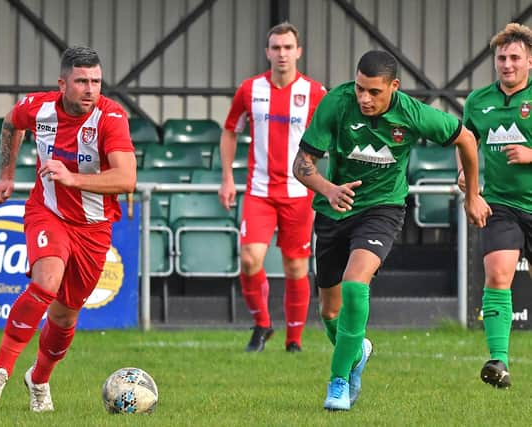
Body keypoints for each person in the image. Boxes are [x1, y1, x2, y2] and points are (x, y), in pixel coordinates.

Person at [292, 50, 491, 411]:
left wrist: (472, 195)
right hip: (333, 209)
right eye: (359, 89)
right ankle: (358, 350)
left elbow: (466, 139)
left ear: (393, 87)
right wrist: (328, 188)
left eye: (374, 92)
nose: (364, 98)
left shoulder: (413, 113)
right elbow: (302, 164)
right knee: (329, 312)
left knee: (356, 284)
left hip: (382, 209)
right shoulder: (336, 102)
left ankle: (338, 383)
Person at [0, 46, 136, 412]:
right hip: (47, 212)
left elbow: (127, 178)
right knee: (46, 281)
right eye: (82, 81)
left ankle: (39, 379)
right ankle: (0, 370)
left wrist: (73, 178)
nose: (90, 89)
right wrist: (5, 176)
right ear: (62, 83)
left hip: (94, 228)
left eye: (96, 81)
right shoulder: (39, 107)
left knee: (65, 315)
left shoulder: (111, 117)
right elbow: (11, 123)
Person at [218, 22, 326, 353]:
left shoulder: (315, 93)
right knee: (250, 259)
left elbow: (332, 137)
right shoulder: (250, 90)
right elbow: (229, 130)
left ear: (298, 52)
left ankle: (294, 340)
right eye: (276, 47)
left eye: (287, 47)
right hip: (260, 191)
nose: (282, 53)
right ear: (267, 52)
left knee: (296, 266)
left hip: (299, 193)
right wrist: (227, 177)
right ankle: (262, 325)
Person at [458, 22, 532, 389]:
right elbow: (465, 142)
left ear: (529, 61)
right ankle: (498, 361)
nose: (507, 64)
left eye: (515, 57)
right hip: (500, 203)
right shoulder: (478, 101)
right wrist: (465, 177)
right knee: (498, 274)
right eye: (501, 57)